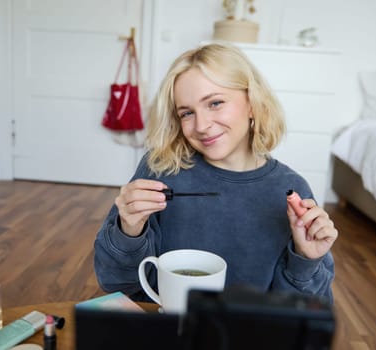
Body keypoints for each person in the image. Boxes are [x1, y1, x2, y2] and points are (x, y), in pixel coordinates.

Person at [94, 43, 338, 304]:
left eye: (215, 103)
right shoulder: (161, 169)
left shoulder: (290, 189)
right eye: (187, 113)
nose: (201, 126)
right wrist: (128, 231)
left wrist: (306, 258)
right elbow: (116, 282)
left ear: (253, 103)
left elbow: (303, 311)